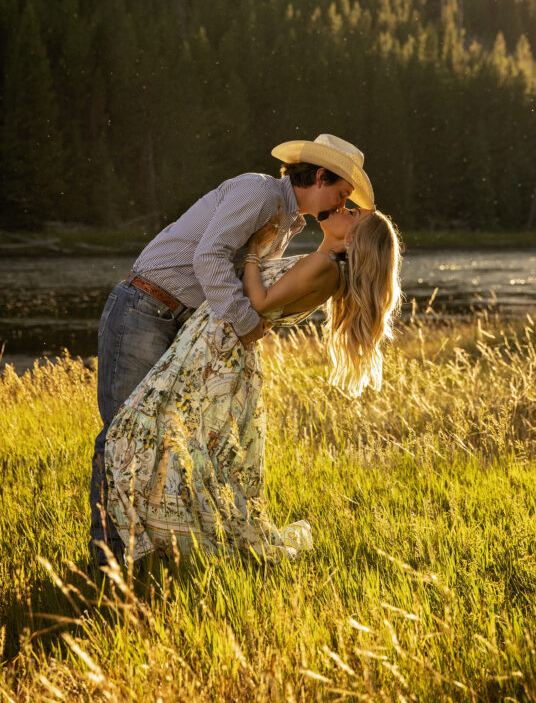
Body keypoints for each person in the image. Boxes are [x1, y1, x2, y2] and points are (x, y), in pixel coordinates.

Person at [90, 133, 375, 565]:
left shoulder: (288, 221)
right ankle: (107, 558)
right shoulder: (260, 193)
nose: (341, 202)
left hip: (179, 320)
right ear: (320, 176)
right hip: (146, 307)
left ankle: (144, 553)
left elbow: (243, 274)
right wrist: (246, 324)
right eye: (341, 191)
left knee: (155, 437)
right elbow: (210, 257)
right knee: (122, 434)